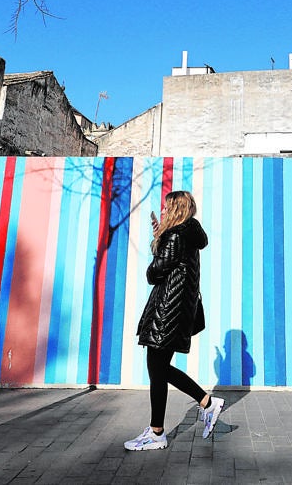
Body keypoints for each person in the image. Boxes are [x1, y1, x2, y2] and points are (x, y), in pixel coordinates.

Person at [124, 190, 225, 451]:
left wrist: (159, 239)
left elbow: (153, 273)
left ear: (177, 208)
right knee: (159, 369)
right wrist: (160, 238)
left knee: (158, 368)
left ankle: (164, 429)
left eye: (168, 207)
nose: (165, 211)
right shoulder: (188, 236)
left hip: (167, 311)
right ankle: (189, 412)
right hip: (176, 310)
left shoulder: (176, 234)